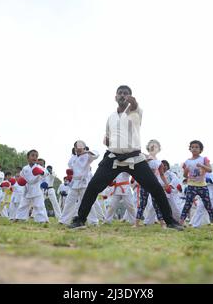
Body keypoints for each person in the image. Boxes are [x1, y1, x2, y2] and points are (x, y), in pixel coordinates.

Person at [68, 86, 182, 230]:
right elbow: (108, 138)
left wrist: (132, 102)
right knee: (93, 187)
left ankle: (170, 221)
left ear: (130, 97)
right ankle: (80, 220)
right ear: (115, 97)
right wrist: (111, 141)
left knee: (156, 188)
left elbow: (134, 106)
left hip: (134, 157)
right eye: (120, 93)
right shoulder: (110, 117)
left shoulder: (136, 112)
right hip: (113, 157)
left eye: (126, 93)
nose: (122, 95)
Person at [179, 140, 213, 230]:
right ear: (190, 149)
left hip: (202, 186)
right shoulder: (187, 161)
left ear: (200, 150)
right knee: (187, 205)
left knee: (208, 205)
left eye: (197, 147)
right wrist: (186, 172)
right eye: (192, 147)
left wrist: (202, 165)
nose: (194, 149)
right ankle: (180, 224)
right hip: (191, 185)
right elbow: (185, 175)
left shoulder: (203, 159)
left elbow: (210, 170)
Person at [59, 141, 100, 225]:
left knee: (87, 202)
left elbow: (96, 154)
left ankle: (93, 221)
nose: (78, 150)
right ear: (75, 149)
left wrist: (87, 151)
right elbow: (70, 167)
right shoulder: (73, 158)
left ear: (84, 148)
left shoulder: (87, 156)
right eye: (77, 148)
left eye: (80, 148)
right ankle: (63, 221)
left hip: (84, 182)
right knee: (69, 202)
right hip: (75, 183)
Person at [15, 150, 49, 223]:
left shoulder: (39, 167)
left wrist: (41, 172)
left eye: (36, 156)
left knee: (39, 206)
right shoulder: (25, 168)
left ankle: (41, 220)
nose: (35, 157)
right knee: (23, 205)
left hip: (36, 188)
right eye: (32, 155)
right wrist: (21, 180)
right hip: (27, 188)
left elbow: (46, 173)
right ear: (28, 158)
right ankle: (20, 218)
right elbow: (21, 176)